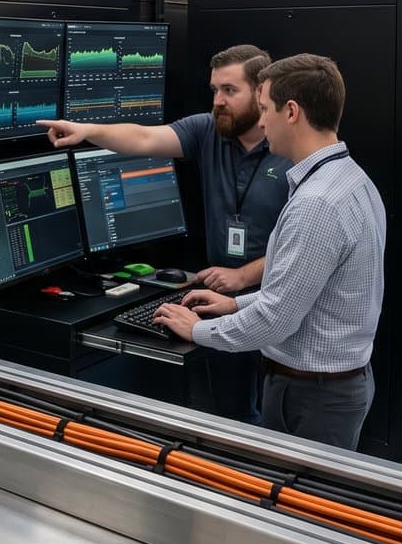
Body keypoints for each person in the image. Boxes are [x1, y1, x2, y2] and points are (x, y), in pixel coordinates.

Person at [38, 44, 290, 420]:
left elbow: (305, 246)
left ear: (261, 92)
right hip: (219, 298)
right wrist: (87, 130)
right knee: (233, 416)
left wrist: (244, 275)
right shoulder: (208, 130)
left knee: (278, 416)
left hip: (276, 300)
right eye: (214, 90)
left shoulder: (289, 145)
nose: (218, 101)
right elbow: (142, 138)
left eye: (229, 91)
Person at [152, 54, 386, 451]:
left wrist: (197, 331)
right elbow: (302, 292)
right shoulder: (349, 178)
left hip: (313, 398)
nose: (260, 123)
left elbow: (277, 320)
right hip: (328, 388)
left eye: (265, 110)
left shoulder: (317, 204)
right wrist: (235, 305)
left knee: (304, 509)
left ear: (291, 111)